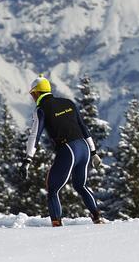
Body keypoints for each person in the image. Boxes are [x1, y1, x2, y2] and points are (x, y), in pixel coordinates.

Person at [25, 75, 104, 226]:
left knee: (53, 188)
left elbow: (35, 135)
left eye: (32, 94)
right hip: (84, 148)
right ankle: (97, 218)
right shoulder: (68, 102)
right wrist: (94, 152)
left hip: (68, 149)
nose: (32, 98)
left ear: (36, 93)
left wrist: (28, 159)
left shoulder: (41, 110)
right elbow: (83, 127)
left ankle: (57, 224)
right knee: (81, 185)